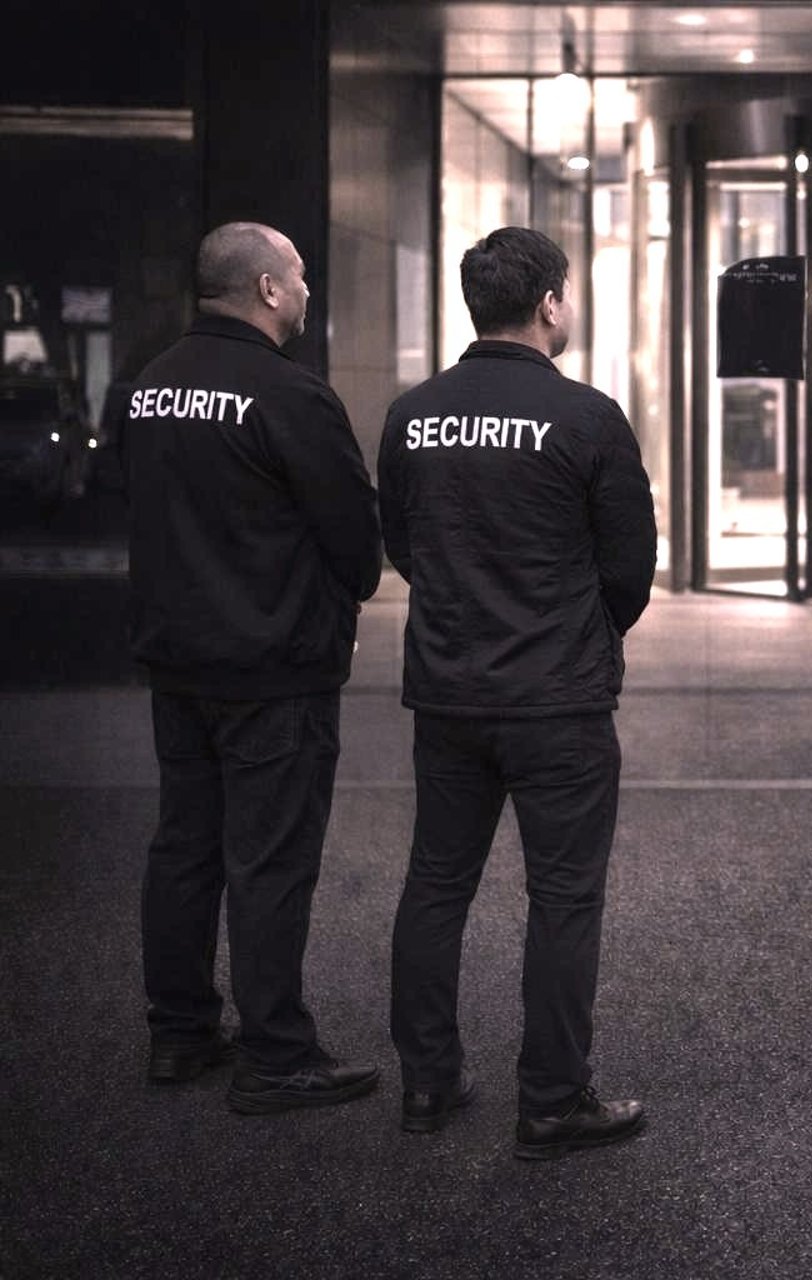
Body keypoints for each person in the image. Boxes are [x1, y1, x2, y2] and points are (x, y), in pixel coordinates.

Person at [378, 226, 657, 1160]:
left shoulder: (414, 416)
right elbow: (630, 568)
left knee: (435, 884)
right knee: (564, 898)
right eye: (566, 296)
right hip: (558, 701)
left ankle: (427, 1082)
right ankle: (551, 1100)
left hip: (450, 693)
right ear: (548, 304)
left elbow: (403, 546)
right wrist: (577, 630)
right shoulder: (586, 417)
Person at [124, 222, 383, 1112]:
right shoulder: (289, 395)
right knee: (269, 862)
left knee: (185, 848)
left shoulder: (148, 388)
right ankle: (277, 1054)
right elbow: (356, 537)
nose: (308, 289)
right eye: (300, 276)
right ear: (268, 290)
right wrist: (343, 605)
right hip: (274, 669)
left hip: (178, 663)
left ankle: (180, 1033)